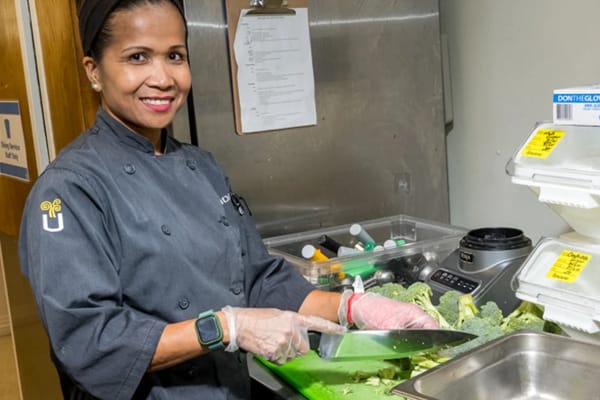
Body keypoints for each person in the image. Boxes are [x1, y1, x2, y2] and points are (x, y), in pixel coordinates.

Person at [18, 0, 439, 399]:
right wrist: (226, 327)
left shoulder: (201, 166)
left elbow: (260, 279)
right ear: (94, 71)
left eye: (175, 56)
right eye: (137, 57)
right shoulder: (70, 190)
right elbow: (91, 342)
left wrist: (354, 307)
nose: (163, 78)